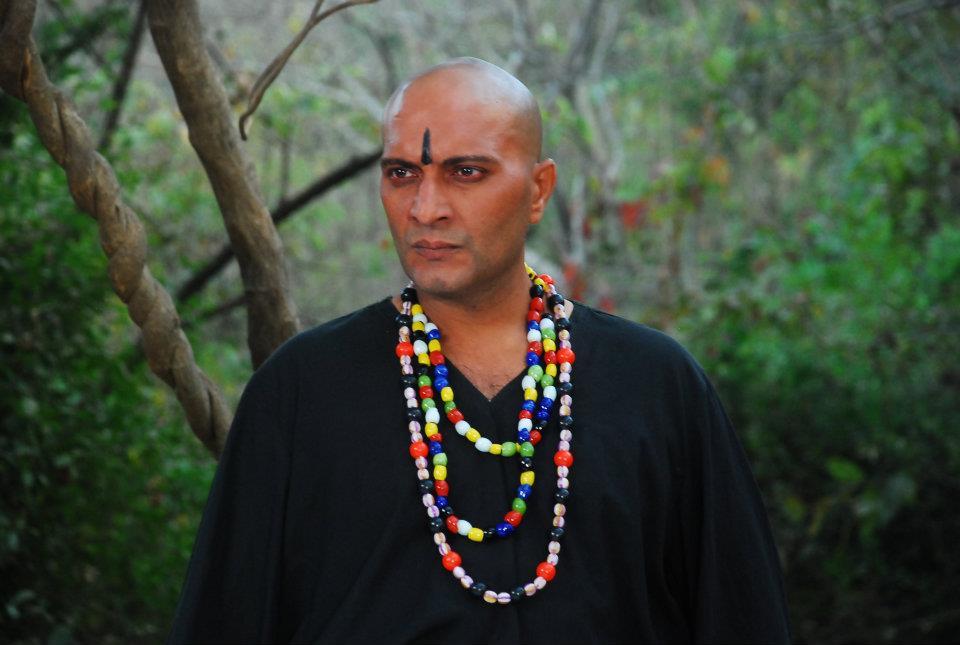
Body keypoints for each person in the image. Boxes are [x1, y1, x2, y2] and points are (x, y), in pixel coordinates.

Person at [166, 58, 792, 644]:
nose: (426, 208)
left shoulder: (655, 385)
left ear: (539, 190)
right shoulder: (301, 392)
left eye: (466, 172)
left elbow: (741, 615)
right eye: (401, 174)